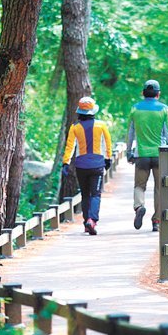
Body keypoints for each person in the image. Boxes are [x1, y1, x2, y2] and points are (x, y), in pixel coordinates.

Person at [127, 79, 168, 232]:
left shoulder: (135, 109)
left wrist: (129, 151)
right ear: (158, 94)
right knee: (160, 188)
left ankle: (139, 206)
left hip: (142, 155)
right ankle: (157, 220)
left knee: (139, 186)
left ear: (143, 93)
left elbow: (131, 133)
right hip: (160, 154)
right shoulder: (164, 109)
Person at [62, 97, 112, 235]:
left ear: (79, 112)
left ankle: (86, 223)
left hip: (81, 165)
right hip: (97, 164)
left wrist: (66, 162)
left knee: (85, 194)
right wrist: (108, 159)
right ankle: (92, 220)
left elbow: (70, 146)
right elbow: (108, 143)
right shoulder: (101, 125)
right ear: (93, 111)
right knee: (95, 193)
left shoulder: (75, 128)